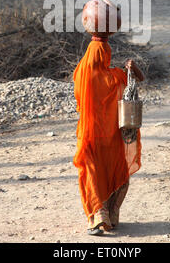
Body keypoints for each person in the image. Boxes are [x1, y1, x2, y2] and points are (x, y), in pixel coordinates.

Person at [73, 34, 144, 235]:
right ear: (107, 55)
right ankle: (110, 215)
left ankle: (98, 217)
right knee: (113, 171)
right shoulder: (114, 76)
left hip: (89, 136)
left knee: (93, 173)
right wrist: (133, 67)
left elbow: (79, 99)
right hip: (113, 137)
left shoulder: (80, 73)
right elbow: (138, 80)